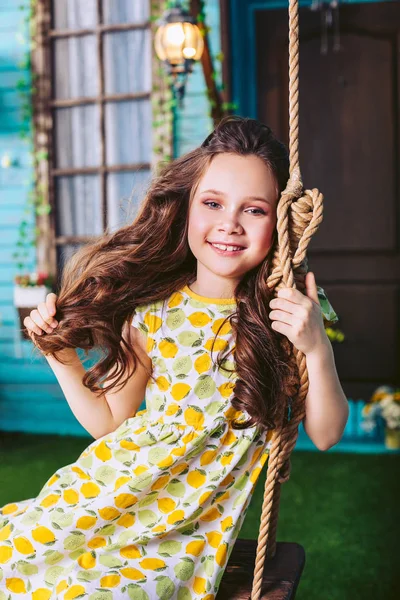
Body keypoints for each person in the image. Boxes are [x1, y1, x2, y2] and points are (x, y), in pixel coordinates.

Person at [0, 116, 348, 599]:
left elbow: (327, 435)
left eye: (254, 210)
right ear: (185, 208)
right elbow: (110, 423)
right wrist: (62, 358)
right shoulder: (155, 313)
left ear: (279, 222)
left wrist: (316, 346)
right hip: (111, 491)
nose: (229, 223)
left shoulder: (284, 314)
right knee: (16, 557)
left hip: (188, 532)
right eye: (212, 203)